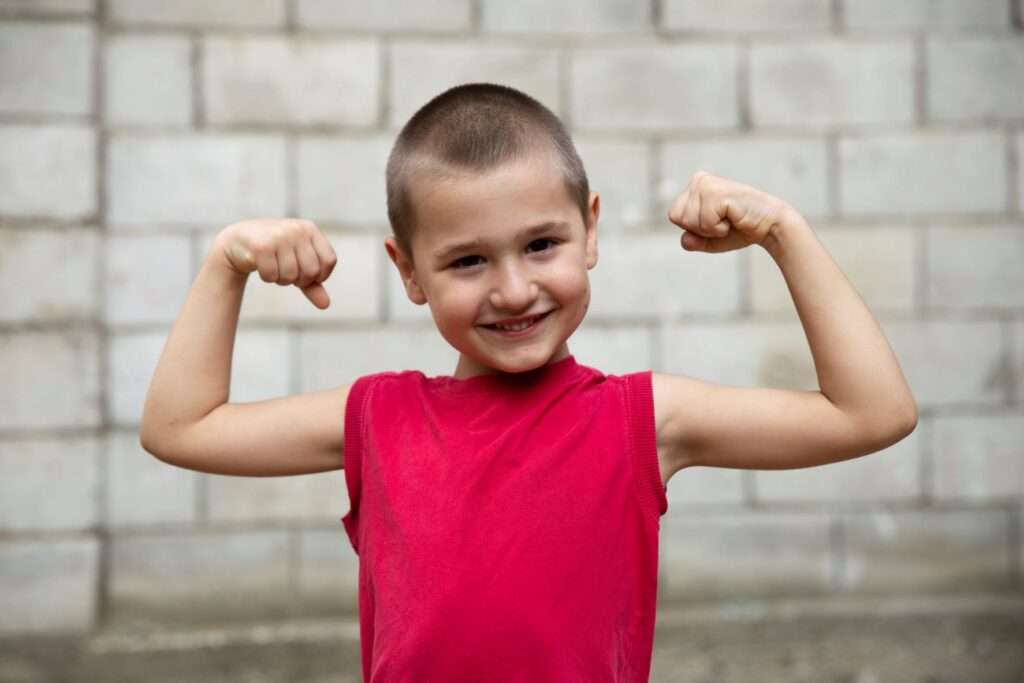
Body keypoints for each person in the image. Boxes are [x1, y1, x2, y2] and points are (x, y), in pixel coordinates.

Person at [139, 82, 918, 682]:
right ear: (409, 272)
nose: (513, 290)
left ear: (591, 231)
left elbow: (872, 412)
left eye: (542, 243)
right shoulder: (377, 418)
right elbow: (181, 426)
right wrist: (225, 265)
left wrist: (785, 232)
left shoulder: (640, 418)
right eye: (468, 260)